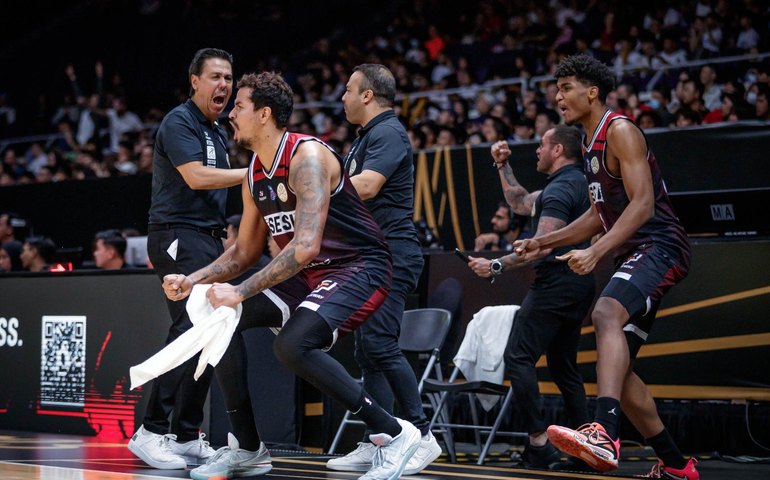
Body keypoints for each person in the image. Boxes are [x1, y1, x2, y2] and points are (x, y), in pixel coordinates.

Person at [161, 71, 420, 480]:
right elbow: (244, 251)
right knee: (219, 320)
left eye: (240, 107)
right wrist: (196, 279)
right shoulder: (253, 174)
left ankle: (395, 433)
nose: (231, 115)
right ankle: (248, 447)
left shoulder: (307, 158)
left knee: (293, 346)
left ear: (264, 114)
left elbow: (304, 247)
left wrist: (240, 291)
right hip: (310, 273)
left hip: (359, 265)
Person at [514, 54, 697, 479]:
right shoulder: (588, 141)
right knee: (621, 371)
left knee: (605, 312)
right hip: (636, 249)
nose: (558, 97)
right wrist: (543, 241)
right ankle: (676, 465)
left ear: (591, 91)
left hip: (660, 245)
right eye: (556, 90)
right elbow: (600, 214)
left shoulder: (620, 131)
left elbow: (644, 203)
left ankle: (605, 432)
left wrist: (596, 253)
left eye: (566, 89)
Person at [128, 48, 247, 470]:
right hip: (177, 234)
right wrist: (253, 173)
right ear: (194, 80)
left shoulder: (216, 129)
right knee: (189, 328)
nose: (224, 85)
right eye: (215, 77)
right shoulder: (179, 122)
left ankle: (183, 434)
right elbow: (196, 177)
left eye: (229, 79)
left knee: (210, 332)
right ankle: (152, 430)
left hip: (207, 238)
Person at [327, 63, 440, 475]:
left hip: (394, 254)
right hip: (373, 255)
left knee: (379, 346)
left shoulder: (389, 132)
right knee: (367, 352)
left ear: (368, 95)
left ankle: (422, 436)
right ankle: (378, 439)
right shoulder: (366, 137)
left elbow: (369, 186)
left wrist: (314, 194)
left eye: (348, 90)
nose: (342, 97)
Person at [466, 125, 594, 470]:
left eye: (542, 145)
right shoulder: (572, 184)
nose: (537, 150)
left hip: (557, 284)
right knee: (564, 368)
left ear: (557, 151)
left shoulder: (561, 189)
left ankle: (538, 442)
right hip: (579, 286)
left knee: (518, 357)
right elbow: (520, 203)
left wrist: (494, 265)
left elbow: (540, 247)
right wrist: (503, 166)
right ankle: (588, 449)